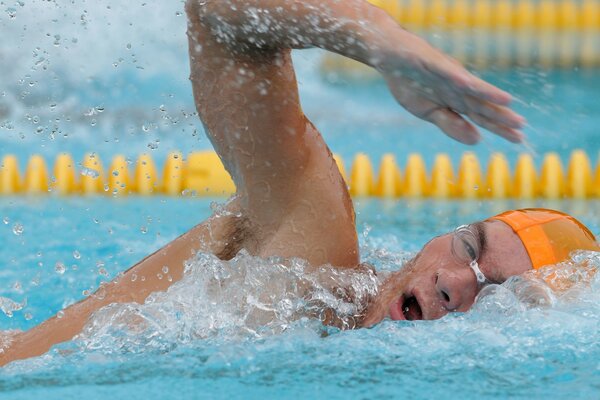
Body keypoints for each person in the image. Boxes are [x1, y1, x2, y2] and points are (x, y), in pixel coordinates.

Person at [3, 0, 589, 366]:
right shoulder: (311, 258)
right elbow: (216, 11)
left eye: (498, 295)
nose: (455, 282)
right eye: (468, 249)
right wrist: (382, 41)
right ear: (440, 237)